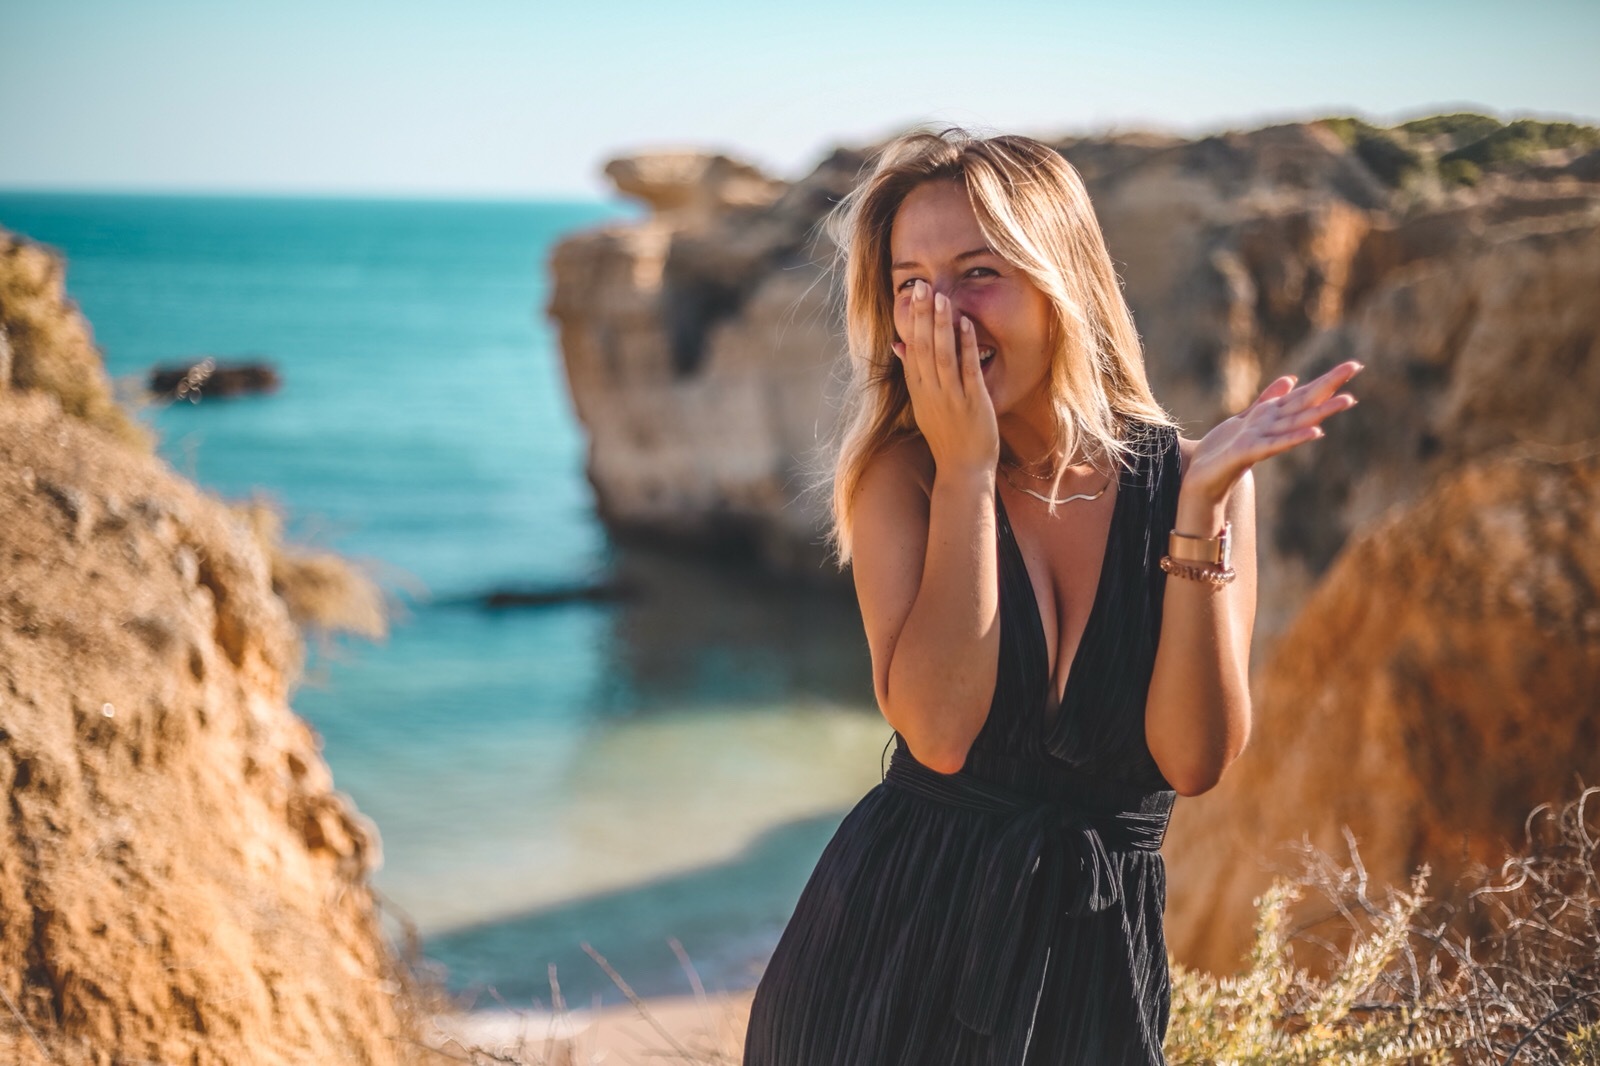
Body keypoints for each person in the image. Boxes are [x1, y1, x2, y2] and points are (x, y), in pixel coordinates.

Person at [740, 129, 1362, 1066]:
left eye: (978, 272)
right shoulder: (899, 482)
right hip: (880, 966)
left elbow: (1192, 760)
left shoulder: (1204, 480)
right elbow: (940, 733)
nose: (942, 312)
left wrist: (1195, 515)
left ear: (1060, 279)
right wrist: (967, 470)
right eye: (911, 283)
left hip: (1090, 980)